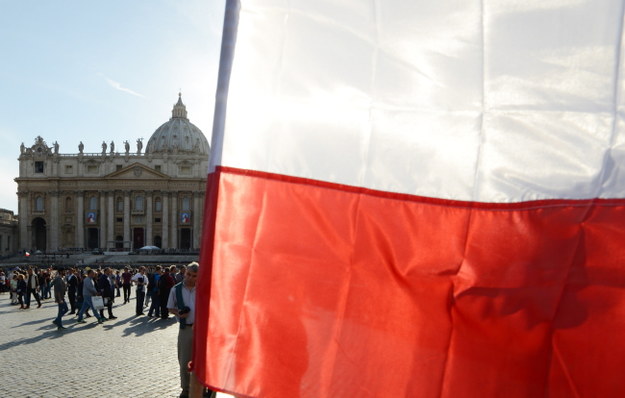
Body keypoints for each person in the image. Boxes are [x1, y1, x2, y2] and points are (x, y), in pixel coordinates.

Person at [168, 262, 214, 398]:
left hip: (203, 331)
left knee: (204, 360)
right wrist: (178, 313)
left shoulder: (204, 289)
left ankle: (204, 388)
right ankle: (186, 389)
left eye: (194, 276)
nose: (189, 277)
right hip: (185, 329)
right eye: (188, 274)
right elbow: (170, 307)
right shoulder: (175, 289)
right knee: (184, 361)